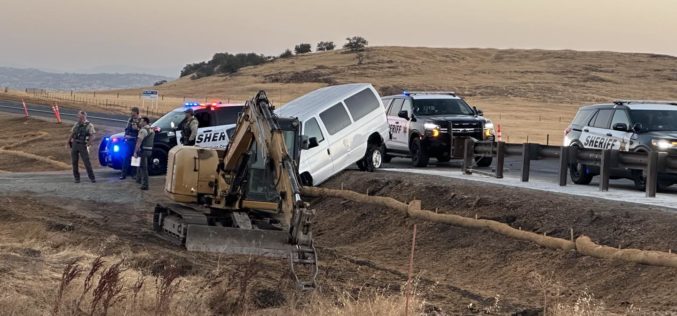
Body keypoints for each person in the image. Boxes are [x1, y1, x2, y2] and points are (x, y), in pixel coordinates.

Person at [69, 111, 96, 183]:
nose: (79, 118)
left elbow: (92, 135)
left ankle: (92, 178)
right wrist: (68, 142)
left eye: (80, 117)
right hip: (75, 144)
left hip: (83, 145)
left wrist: (88, 144)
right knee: (74, 162)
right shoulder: (76, 124)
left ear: (84, 117)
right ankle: (77, 178)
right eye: (78, 117)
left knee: (87, 162)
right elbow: (72, 133)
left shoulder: (89, 125)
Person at [134, 117, 155, 190]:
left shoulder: (143, 131)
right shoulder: (151, 129)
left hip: (143, 151)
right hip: (149, 150)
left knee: (143, 168)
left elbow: (138, 142)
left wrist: (135, 152)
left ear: (145, 122)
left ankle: (145, 185)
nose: (140, 123)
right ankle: (138, 179)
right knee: (141, 166)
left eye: (141, 121)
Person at [120, 107, 141, 179]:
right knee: (126, 157)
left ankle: (134, 174)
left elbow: (143, 131)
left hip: (136, 141)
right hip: (129, 141)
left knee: (135, 157)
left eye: (133, 113)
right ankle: (123, 174)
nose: (131, 114)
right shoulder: (130, 120)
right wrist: (126, 135)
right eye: (131, 113)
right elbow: (126, 129)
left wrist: (137, 129)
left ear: (137, 113)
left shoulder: (141, 121)